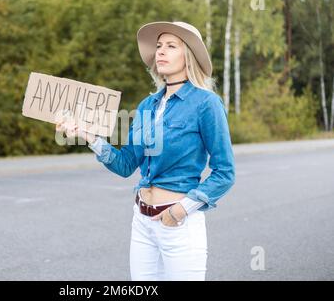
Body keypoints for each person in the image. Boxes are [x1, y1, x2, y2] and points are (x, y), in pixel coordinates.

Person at [56, 21, 235, 281]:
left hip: (180, 225)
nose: (160, 51)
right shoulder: (146, 106)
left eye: (171, 46)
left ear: (189, 57)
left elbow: (225, 172)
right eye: (159, 46)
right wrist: (87, 134)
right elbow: (126, 164)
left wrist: (181, 210)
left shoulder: (206, 104)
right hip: (141, 221)